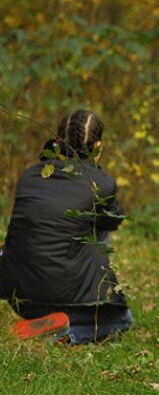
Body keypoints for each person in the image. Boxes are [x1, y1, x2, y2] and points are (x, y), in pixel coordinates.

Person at [0, 110, 132, 344]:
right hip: (70, 298)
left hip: (20, 297)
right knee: (122, 320)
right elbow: (115, 220)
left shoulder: (30, 174)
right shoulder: (101, 183)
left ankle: (43, 321)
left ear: (58, 140)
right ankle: (65, 333)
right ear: (98, 146)